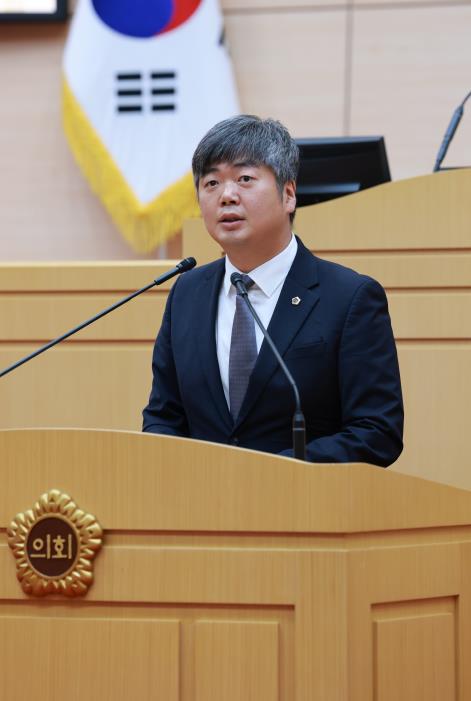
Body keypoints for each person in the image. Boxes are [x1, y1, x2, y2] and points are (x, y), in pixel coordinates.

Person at [142, 115, 404, 467]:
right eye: (212, 183)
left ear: (288, 195)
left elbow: (377, 431)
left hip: (305, 499)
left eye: (245, 179)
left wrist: (274, 474)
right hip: (201, 498)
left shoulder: (350, 298)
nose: (227, 196)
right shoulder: (186, 294)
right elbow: (164, 417)